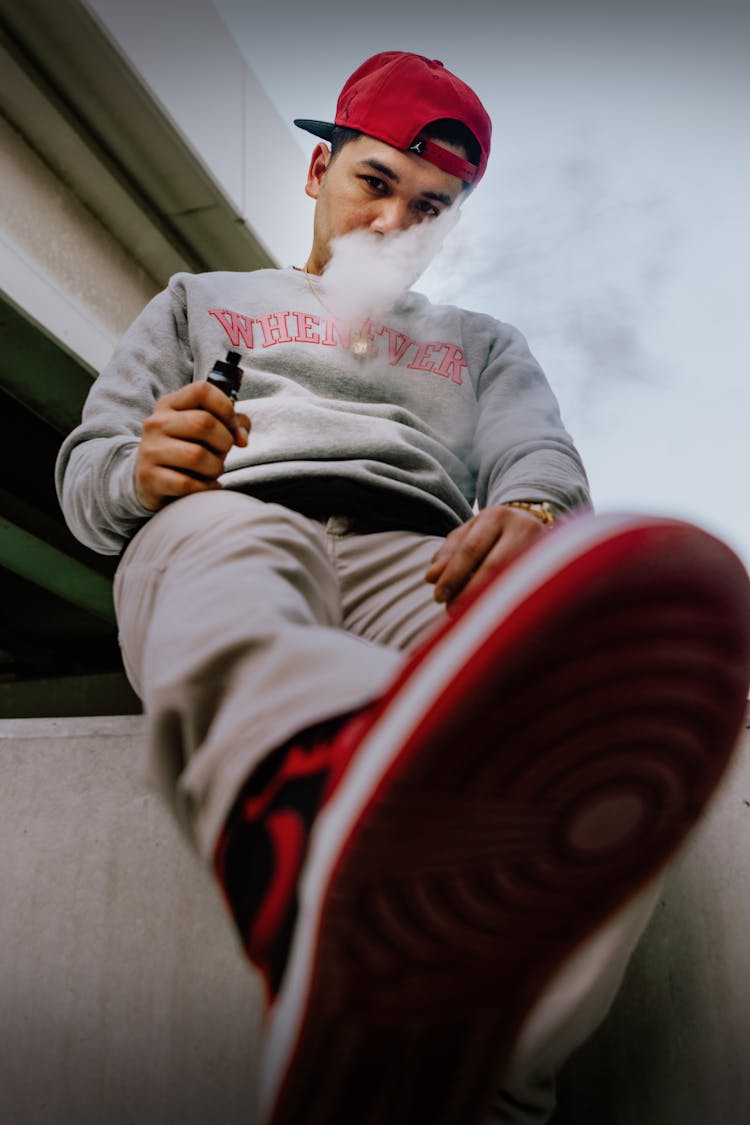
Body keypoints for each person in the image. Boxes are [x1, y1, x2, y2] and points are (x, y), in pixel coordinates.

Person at [55, 50, 749, 1125]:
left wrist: (529, 521)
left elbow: (541, 468)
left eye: (431, 209)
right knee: (234, 540)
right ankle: (290, 825)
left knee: (570, 706)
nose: (395, 223)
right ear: (317, 171)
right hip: (228, 515)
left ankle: (475, 1077)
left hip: (419, 555)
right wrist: (140, 471)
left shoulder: (480, 344)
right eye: (374, 183)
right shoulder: (202, 298)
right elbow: (87, 475)